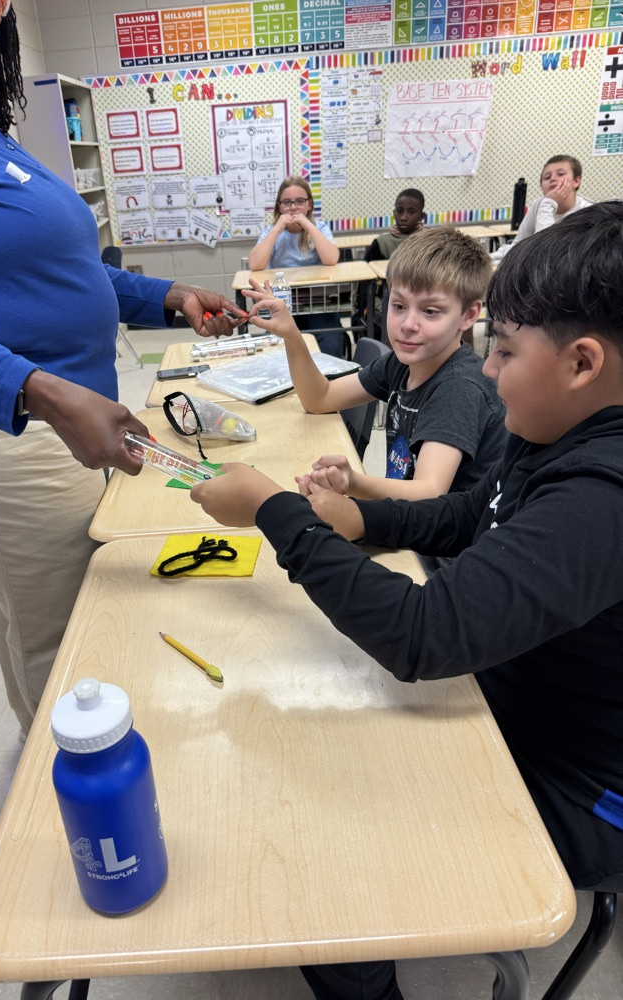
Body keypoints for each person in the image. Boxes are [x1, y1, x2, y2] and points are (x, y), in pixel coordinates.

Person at [191, 200, 623, 999]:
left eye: (505, 351)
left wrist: (272, 511)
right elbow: (465, 515)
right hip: (500, 696)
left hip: (573, 783)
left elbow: (424, 634)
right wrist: (356, 516)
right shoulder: (557, 431)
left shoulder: (603, 493)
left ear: (583, 362)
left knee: (320, 862)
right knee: (303, 741)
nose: (488, 372)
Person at [0, 0, 245, 739]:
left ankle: (46, 761)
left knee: (32, 595)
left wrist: (163, 294)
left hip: (47, 401)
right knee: (76, 620)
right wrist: (35, 391)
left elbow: (58, 269)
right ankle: (73, 815)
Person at [245, 227, 506, 504]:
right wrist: (292, 335)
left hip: (443, 541)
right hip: (408, 518)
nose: (407, 325)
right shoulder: (401, 364)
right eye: (399, 306)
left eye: (430, 311)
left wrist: (353, 482)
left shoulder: (458, 388)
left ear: (469, 315)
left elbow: (429, 493)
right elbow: (319, 398)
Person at [248, 176, 347, 358]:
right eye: (287, 202)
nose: (293, 207)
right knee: (275, 342)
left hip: (318, 300)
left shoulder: (320, 228)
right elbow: (255, 264)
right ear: (279, 206)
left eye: (300, 201)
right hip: (283, 301)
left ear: (309, 204)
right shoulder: (273, 231)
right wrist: (278, 228)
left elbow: (331, 259)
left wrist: (308, 225)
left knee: (331, 339)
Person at [353, 188, 425, 333]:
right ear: (394, 214)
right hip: (387, 301)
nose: (404, 217)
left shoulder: (428, 242)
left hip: (422, 299)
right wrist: (362, 309)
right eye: (399, 211)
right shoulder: (382, 243)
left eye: (411, 212)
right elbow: (364, 280)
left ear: (421, 216)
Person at [493, 154, 592, 260]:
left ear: (576, 181)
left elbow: (546, 251)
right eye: (547, 177)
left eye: (560, 174)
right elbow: (518, 245)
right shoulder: (539, 204)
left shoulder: (587, 211)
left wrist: (548, 203)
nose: (553, 179)